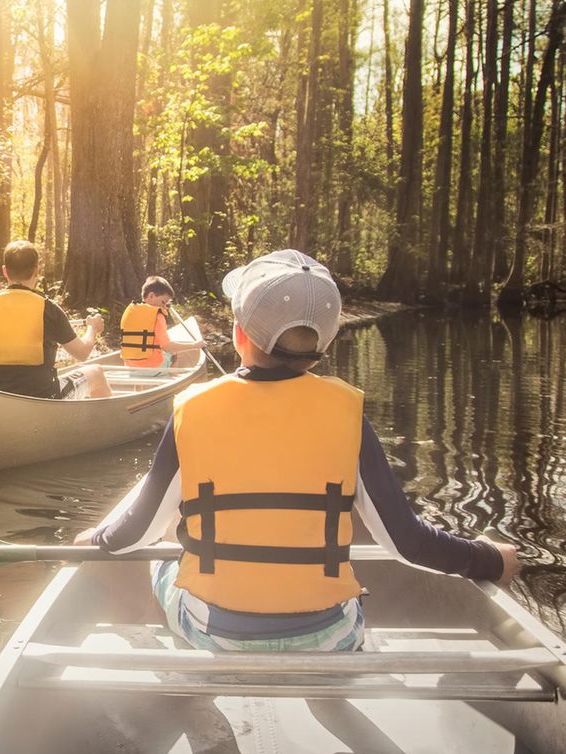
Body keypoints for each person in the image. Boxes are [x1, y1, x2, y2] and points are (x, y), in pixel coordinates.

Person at [75, 249, 519, 652]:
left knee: (165, 549)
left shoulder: (192, 410)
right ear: (322, 346)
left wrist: (96, 540)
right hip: (330, 635)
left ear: (237, 334)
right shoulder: (348, 414)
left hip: (215, 631)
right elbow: (408, 542)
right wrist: (487, 557)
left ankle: (191, 698)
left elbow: (135, 533)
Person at [0, 240, 111, 399]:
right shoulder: (49, 309)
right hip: (41, 397)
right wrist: (92, 329)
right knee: (96, 372)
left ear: (5, 271)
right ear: (37, 271)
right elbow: (82, 353)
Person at [119, 276, 206, 374]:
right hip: (152, 369)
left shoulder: (131, 311)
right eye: (163, 302)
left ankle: (138, 389)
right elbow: (168, 347)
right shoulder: (157, 316)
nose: (165, 307)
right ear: (151, 296)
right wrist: (195, 345)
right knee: (173, 354)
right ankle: (173, 382)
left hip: (130, 368)